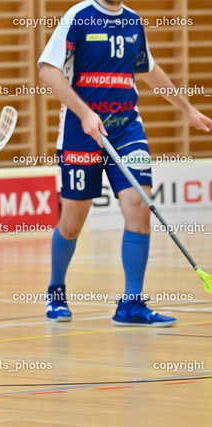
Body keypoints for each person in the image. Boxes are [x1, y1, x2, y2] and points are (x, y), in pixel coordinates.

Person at [38, 0, 212, 325]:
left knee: (139, 205)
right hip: (82, 130)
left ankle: (131, 304)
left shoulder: (133, 21)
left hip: (126, 128)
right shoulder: (79, 16)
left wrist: (186, 108)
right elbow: (48, 71)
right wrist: (85, 113)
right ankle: (56, 290)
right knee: (73, 220)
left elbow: (148, 69)